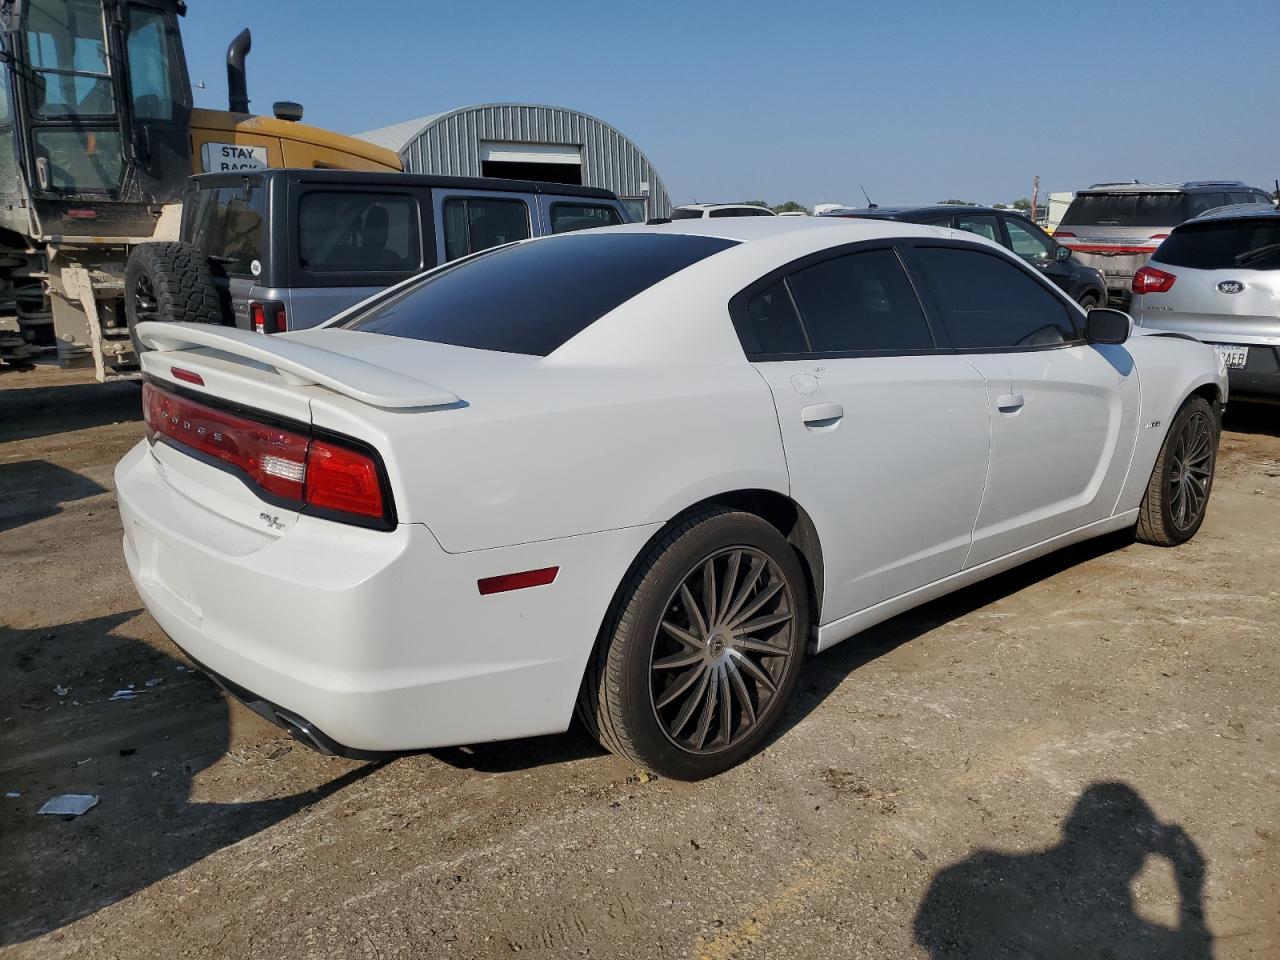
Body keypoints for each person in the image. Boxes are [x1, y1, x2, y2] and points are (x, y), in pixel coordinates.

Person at [914, 782, 1212, 959]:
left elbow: (927, 931)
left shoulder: (965, 876)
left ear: (1072, 826)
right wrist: (1191, 897)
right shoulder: (1114, 915)